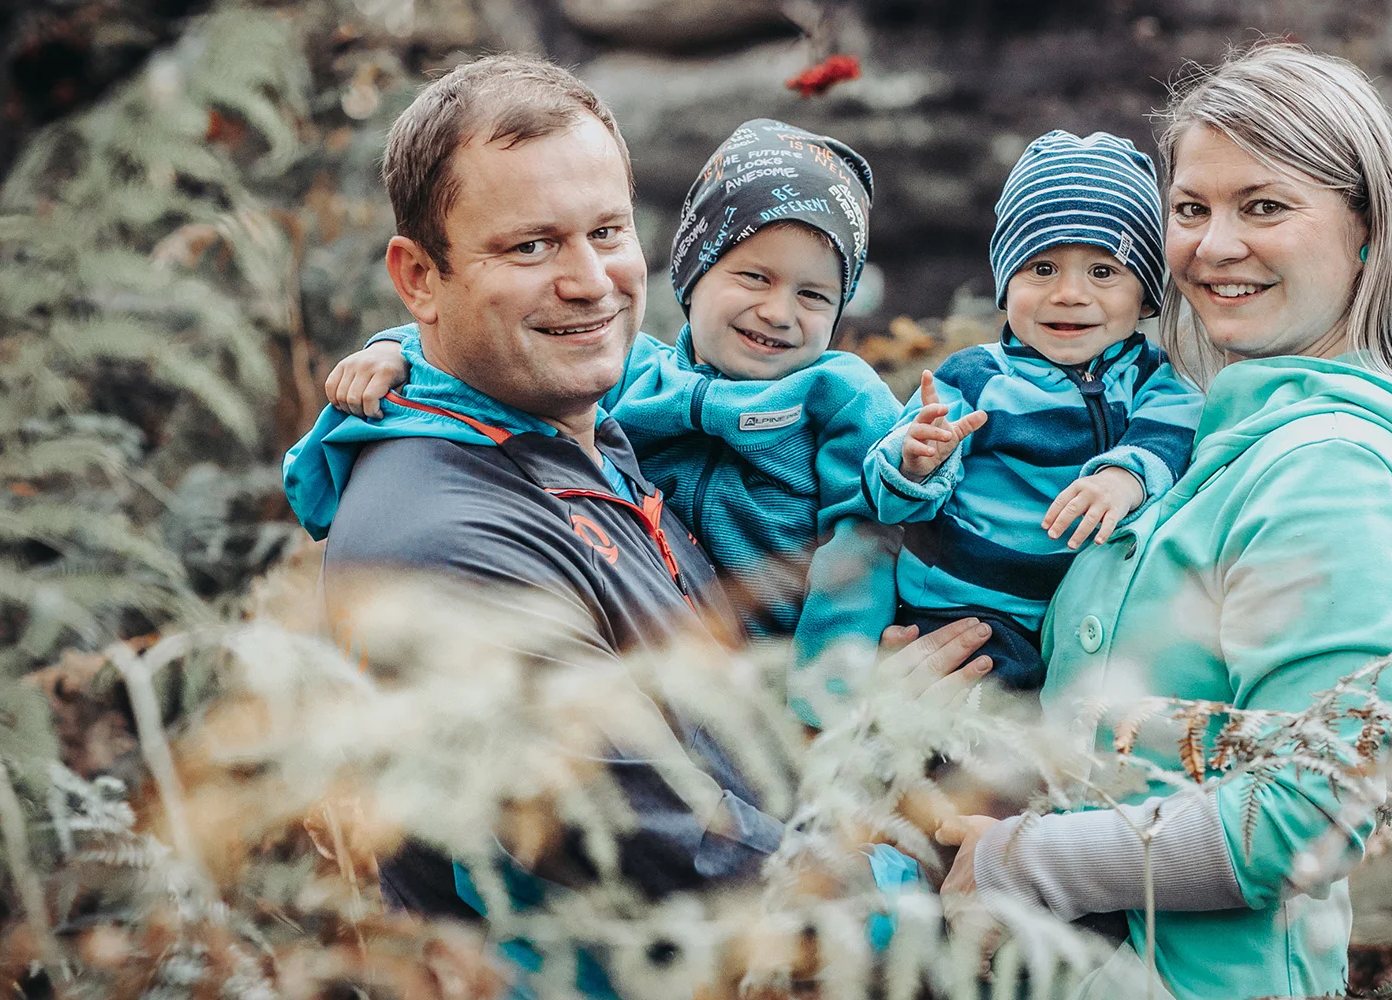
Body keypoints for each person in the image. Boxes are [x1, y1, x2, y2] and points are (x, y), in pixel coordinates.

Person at [278, 55, 987, 991]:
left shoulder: (582, 428)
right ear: (420, 277)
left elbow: (700, 729)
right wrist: (915, 851)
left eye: (606, 231)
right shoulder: (448, 546)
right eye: (530, 246)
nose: (590, 281)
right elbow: (696, 879)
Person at [932, 43, 1392, 999]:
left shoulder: (1337, 469)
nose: (1213, 245)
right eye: (1191, 209)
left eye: (1265, 206)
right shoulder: (1210, 437)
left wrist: (1019, 862)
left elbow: (1303, 817)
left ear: (1368, 230)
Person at [318, 118, 901, 725]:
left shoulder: (837, 397)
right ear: (693, 273)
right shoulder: (633, 373)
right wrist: (394, 351)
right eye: (531, 245)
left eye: (814, 296)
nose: (779, 312)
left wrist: (831, 707)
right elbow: (463, 345)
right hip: (740, 715)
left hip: (814, 673)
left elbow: (872, 536)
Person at [864, 130, 1205, 691]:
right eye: (1042, 268)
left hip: (1083, 608)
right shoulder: (976, 377)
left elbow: (1172, 431)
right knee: (991, 709)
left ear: (1146, 296)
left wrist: (1124, 475)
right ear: (1006, 282)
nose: (1069, 294)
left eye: (1102, 271)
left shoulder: (1155, 378)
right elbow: (886, 494)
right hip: (967, 603)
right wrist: (917, 462)